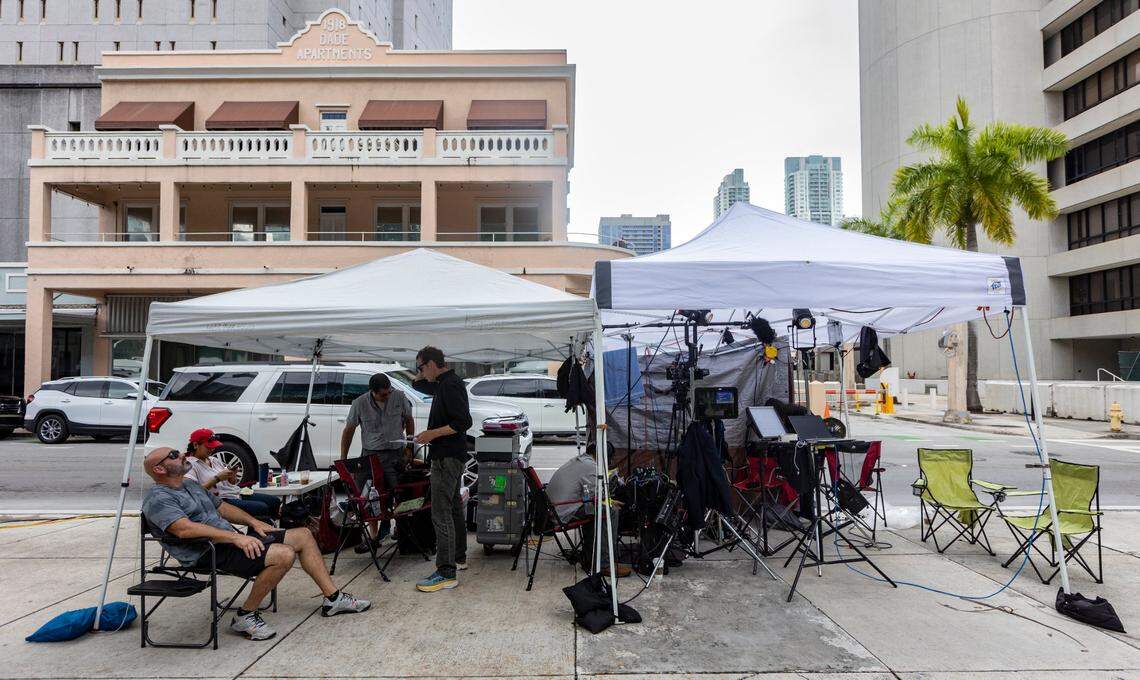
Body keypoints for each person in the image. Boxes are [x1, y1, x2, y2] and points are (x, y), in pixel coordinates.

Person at [140, 446, 370, 641]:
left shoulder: (189, 486)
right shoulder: (159, 497)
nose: (181, 455)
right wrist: (237, 537)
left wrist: (253, 523)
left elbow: (222, 507)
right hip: (205, 551)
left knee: (303, 535)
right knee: (284, 554)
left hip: (226, 541)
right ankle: (245, 615)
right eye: (173, 455)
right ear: (159, 469)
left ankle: (333, 599)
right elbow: (184, 529)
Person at [411, 346, 472, 592]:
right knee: (453, 507)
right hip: (449, 456)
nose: (420, 373)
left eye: (422, 367)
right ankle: (458, 557)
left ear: (434, 363)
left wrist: (430, 434)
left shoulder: (450, 384)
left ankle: (446, 572)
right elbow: (418, 385)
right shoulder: (444, 382)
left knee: (441, 512)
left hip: (447, 457)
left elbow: (462, 422)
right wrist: (420, 372)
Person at [340, 373, 415, 552]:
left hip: (396, 454)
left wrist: (409, 447)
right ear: (372, 392)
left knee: (399, 493)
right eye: (383, 394)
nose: (387, 396)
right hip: (371, 456)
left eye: (388, 392)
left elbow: (409, 420)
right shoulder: (359, 403)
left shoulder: (399, 396)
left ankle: (399, 529)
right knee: (369, 497)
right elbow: (349, 430)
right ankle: (373, 538)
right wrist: (344, 459)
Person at [544, 441, 629, 577]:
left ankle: (590, 559)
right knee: (611, 511)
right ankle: (605, 564)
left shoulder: (580, 461)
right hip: (563, 513)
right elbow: (595, 495)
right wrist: (610, 502)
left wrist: (608, 500)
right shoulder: (591, 466)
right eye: (609, 459)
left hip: (555, 510)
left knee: (596, 511)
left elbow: (590, 495)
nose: (610, 462)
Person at [184, 428, 282, 521]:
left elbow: (231, 484)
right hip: (219, 500)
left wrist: (232, 476)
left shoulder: (213, 460)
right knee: (260, 508)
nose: (211, 449)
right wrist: (217, 478)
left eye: (213, 447)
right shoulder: (190, 465)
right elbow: (194, 492)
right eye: (208, 447)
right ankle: (258, 533)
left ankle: (272, 530)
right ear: (196, 445)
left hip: (234, 494)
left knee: (274, 501)